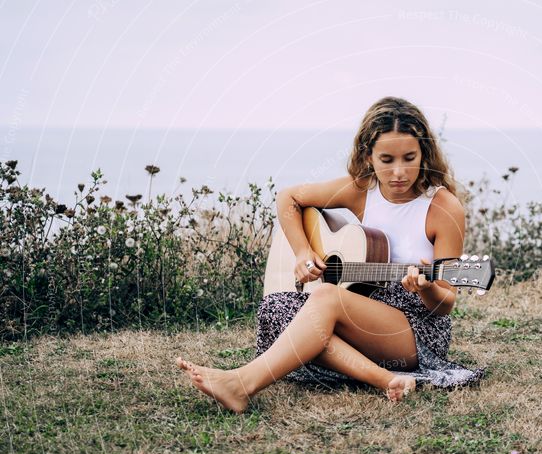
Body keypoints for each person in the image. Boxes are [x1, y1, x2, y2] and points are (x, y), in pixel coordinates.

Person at [176, 96, 485, 413]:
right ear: (368, 156)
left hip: (415, 330)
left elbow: (445, 304)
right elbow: (289, 198)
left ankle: (242, 384)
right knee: (277, 307)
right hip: (360, 310)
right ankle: (384, 378)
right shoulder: (361, 191)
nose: (398, 172)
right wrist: (302, 252)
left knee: (323, 298)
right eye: (386, 160)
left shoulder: (444, 207)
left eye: (409, 157)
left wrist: (428, 286)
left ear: (424, 151)